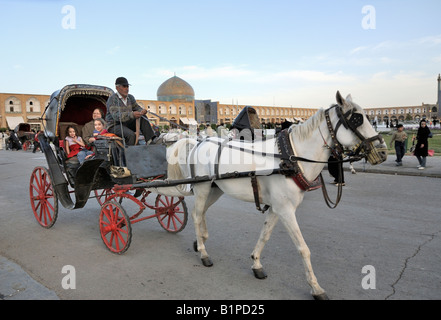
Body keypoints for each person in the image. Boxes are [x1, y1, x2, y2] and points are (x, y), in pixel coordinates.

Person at [105, 77, 155, 146]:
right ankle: (130, 155)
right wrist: (132, 115)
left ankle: (151, 140)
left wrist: (142, 111)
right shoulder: (112, 99)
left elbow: (137, 107)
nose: (127, 88)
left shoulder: (130, 97)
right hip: (114, 125)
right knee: (131, 135)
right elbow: (116, 116)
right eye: (124, 86)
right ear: (117, 88)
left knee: (143, 117)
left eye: (127, 86)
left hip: (127, 123)